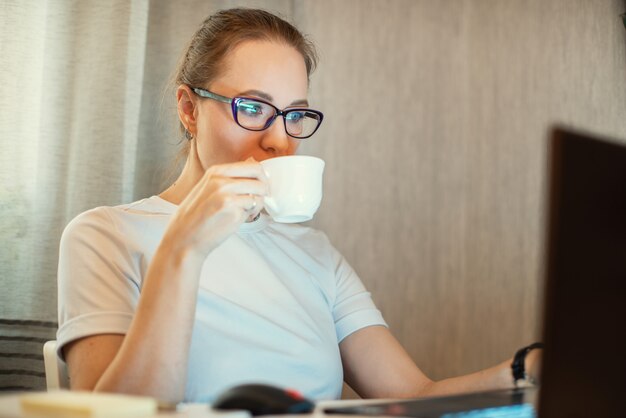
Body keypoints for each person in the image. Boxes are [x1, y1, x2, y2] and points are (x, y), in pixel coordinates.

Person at [57, 8, 541, 404]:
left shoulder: (315, 253)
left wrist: (526, 368)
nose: (277, 139)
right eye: (251, 107)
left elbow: (412, 395)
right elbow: (113, 414)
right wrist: (184, 250)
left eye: (294, 114)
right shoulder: (106, 235)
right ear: (188, 109)